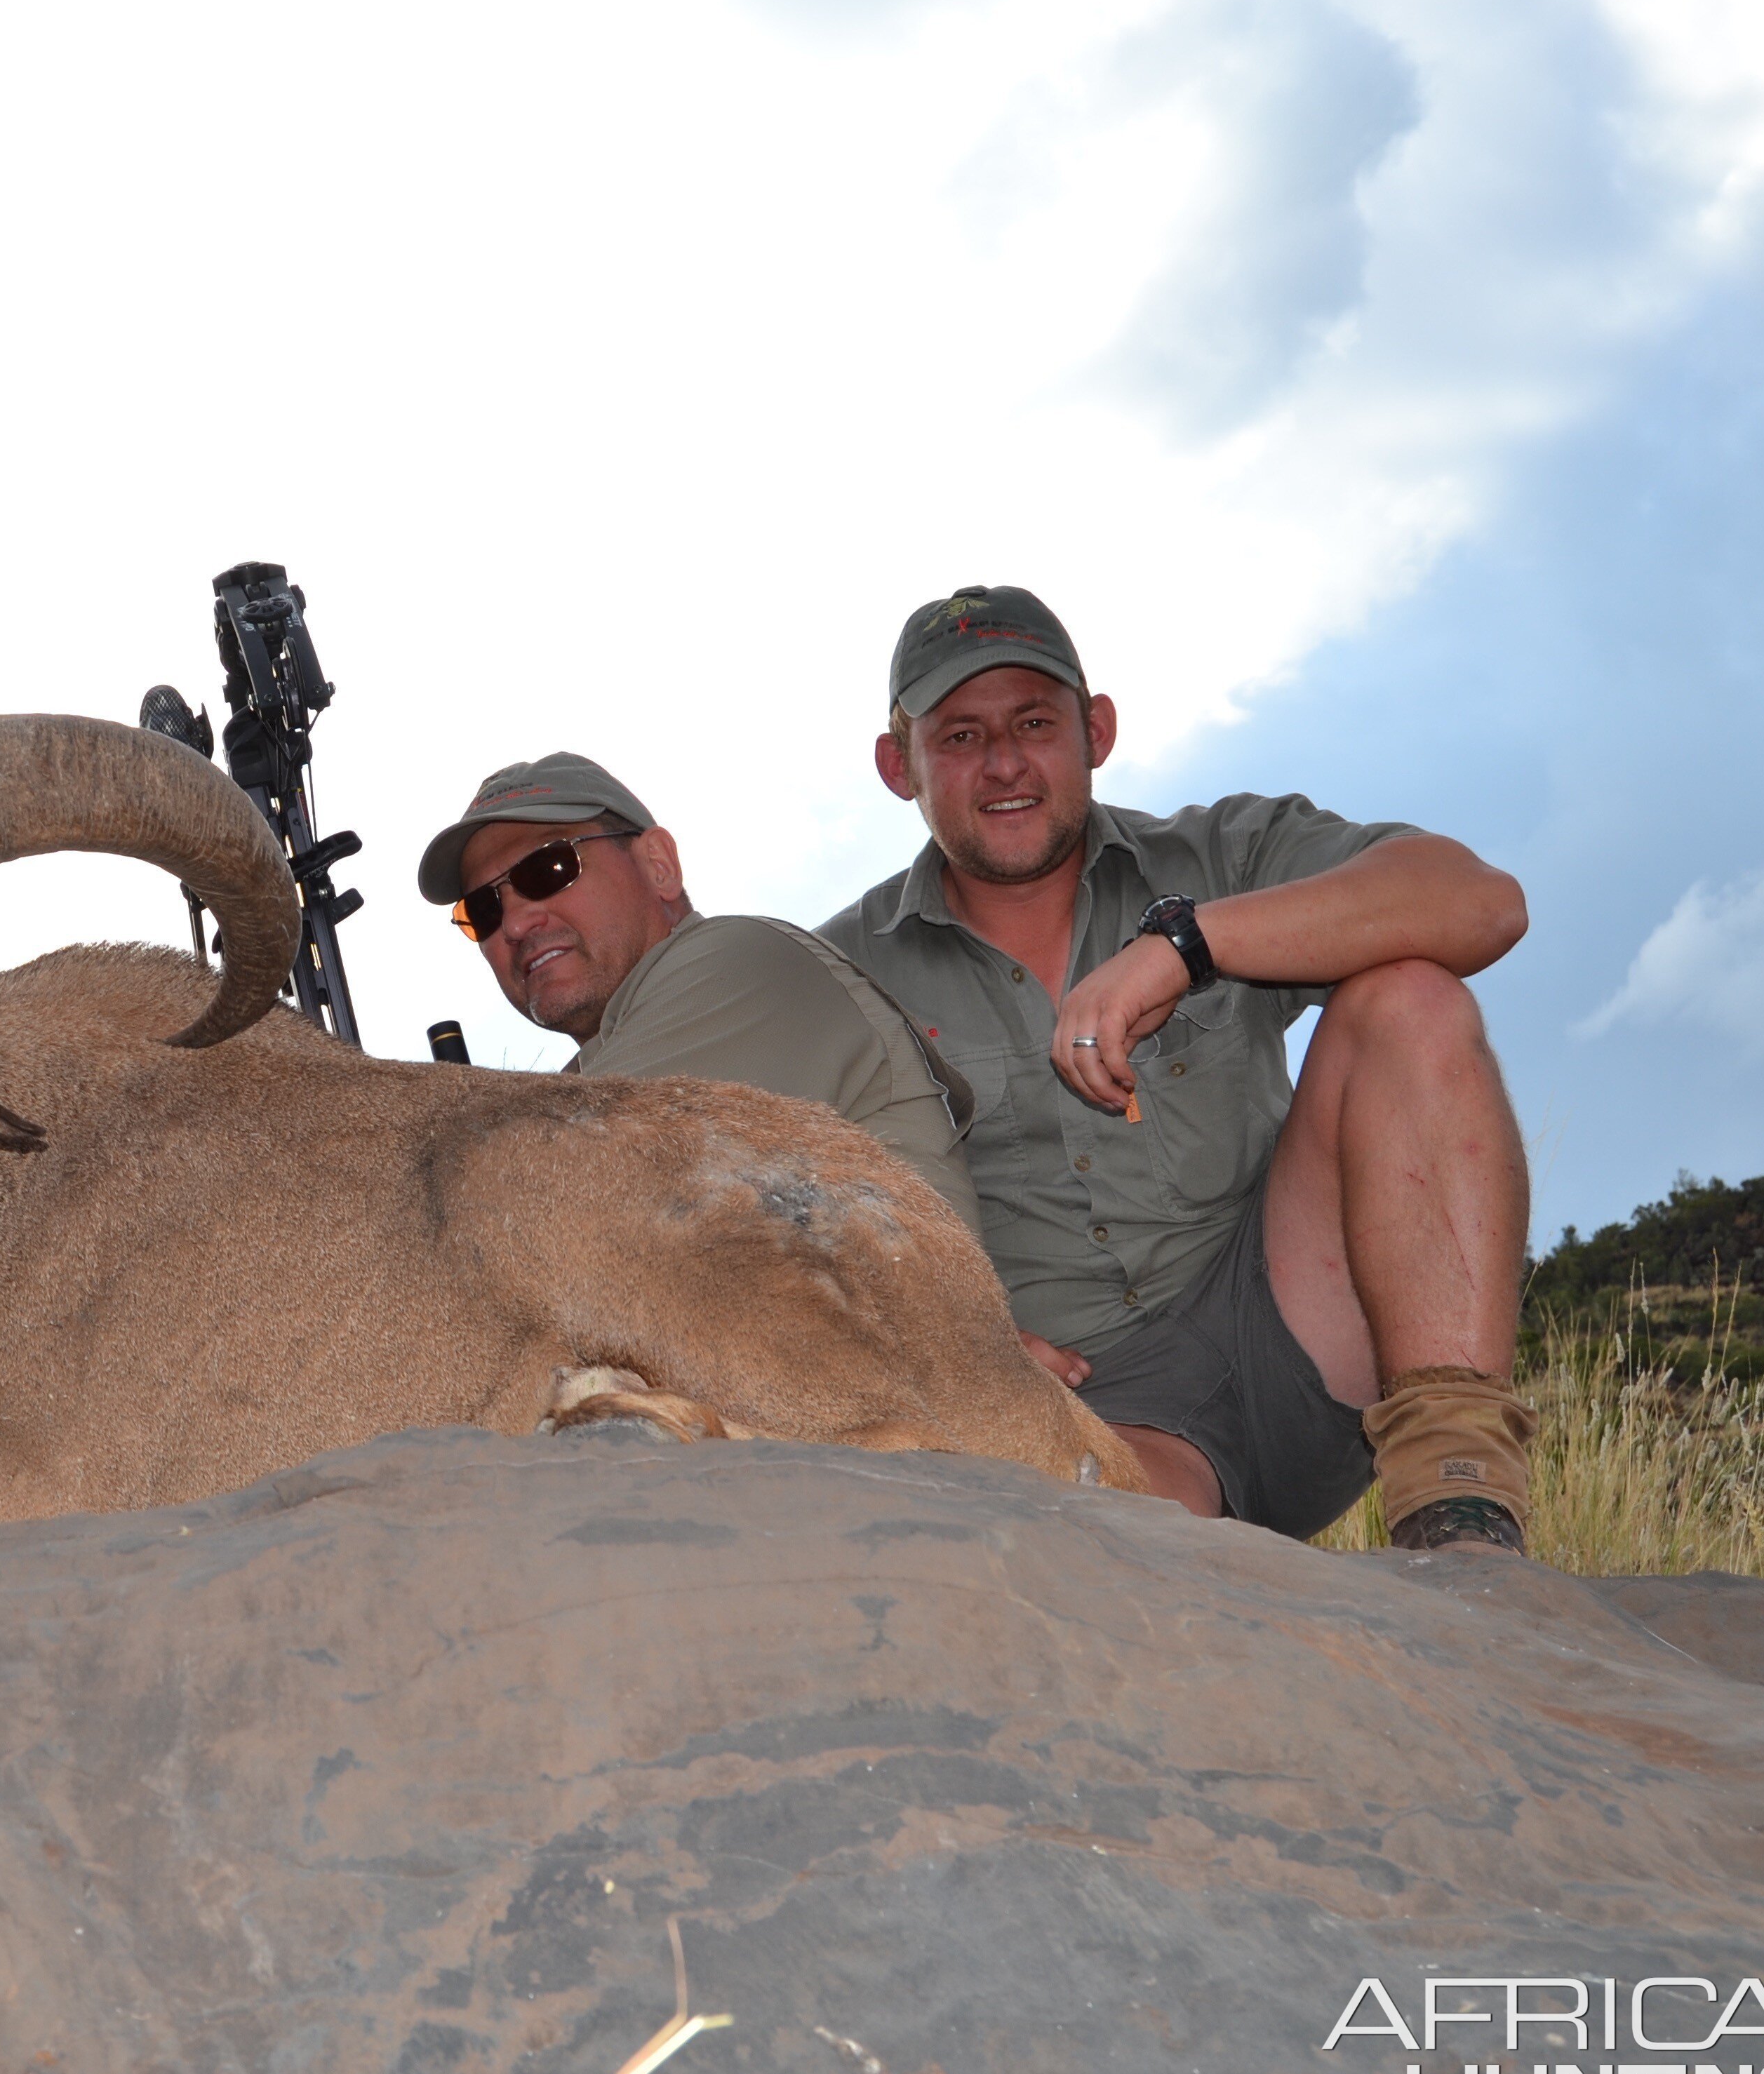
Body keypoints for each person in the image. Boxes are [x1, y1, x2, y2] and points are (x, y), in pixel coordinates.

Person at [818, 584, 1536, 1551]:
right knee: (1126, 1544)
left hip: (1306, 1330)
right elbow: (766, 1204)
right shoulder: (837, 976)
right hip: (1094, 1409)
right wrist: (941, 1335)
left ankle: (1463, 1509)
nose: (1003, 763)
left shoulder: (1225, 851)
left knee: (1412, 998)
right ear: (896, 766)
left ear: (1097, 729)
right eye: (958, 737)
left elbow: (1479, 903)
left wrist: (1187, 945)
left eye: (1034, 722)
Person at [416, 752, 982, 1233]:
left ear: (659, 866)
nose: (514, 922)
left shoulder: (737, 963)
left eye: (549, 868)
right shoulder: (596, 1079)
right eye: (482, 910)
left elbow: (529, 1215)